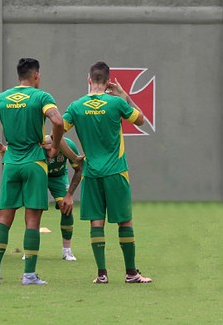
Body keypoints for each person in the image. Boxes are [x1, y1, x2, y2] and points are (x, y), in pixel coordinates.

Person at [0, 58, 64, 286]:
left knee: (4, 219)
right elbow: (58, 121)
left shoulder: (1, 98)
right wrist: (54, 147)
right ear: (36, 75)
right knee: (32, 221)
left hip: (11, 162)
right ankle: (29, 275)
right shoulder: (41, 96)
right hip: (34, 161)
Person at [62, 62, 152, 284]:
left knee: (96, 222)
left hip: (91, 173)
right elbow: (141, 119)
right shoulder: (116, 103)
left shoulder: (75, 106)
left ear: (89, 79)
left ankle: (101, 274)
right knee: (125, 221)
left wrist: (70, 155)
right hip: (116, 172)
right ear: (108, 80)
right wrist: (124, 96)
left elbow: (58, 130)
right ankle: (131, 273)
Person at [43, 135, 82, 261]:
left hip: (58, 177)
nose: (50, 153)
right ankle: (30, 250)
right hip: (39, 176)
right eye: (46, 150)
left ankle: (67, 251)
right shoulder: (38, 145)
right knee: (34, 209)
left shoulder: (69, 146)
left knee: (66, 208)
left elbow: (79, 169)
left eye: (52, 149)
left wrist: (69, 195)